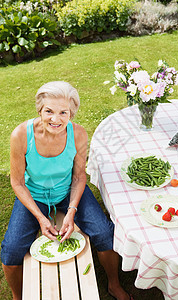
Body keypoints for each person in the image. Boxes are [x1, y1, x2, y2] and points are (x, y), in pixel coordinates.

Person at [1, 81, 133, 300]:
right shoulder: (21, 135)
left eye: (63, 112)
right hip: (33, 194)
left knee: (104, 233)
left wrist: (71, 211)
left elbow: (80, 176)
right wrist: (41, 218)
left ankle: (113, 284)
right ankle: (17, 297)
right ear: (39, 111)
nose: (56, 119)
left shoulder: (79, 134)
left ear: (71, 113)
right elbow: (18, 183)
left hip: (67, 191)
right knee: (11, 251)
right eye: (49, 111)